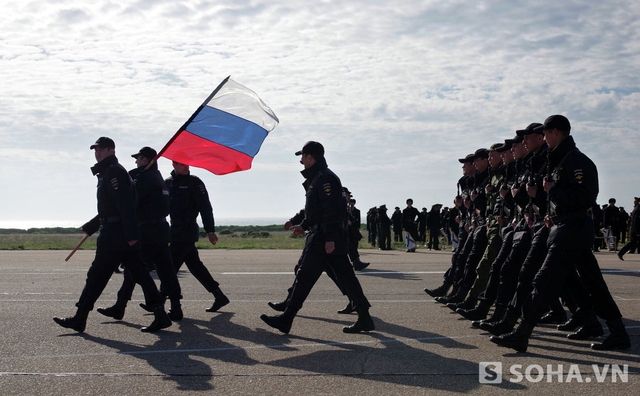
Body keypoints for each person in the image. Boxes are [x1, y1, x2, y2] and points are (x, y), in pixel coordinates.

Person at [490, 115, 631, 352]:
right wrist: (550, 212)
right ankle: (614, 332)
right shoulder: (557, 159)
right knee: (592, 284)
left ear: (557, 132)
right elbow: (554, 197)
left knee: (543, 281)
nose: (544, 138)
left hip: (572, 230)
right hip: (563, 228)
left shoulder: (577, 161)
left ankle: (521, 334)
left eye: (546, 133)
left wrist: (553, 192)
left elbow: (585, 198)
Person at [53, 137, 171, 333]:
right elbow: (110, 208)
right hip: (117, 233)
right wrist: (92, 226)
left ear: (111, 151)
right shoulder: (107, 172)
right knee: (140, 273)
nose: (97, 153)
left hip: (116, 235)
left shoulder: (114, 172)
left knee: (97, 275)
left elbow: (125, 204)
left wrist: (131, 233)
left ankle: (80, 318)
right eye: (95, 150)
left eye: (101, 149)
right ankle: (160, 314)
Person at [260, 141, 374, 334]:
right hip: (324, 236)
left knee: (304, 277)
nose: (301, 161)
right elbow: (315, 211)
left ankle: (286, 319)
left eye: (302, 157)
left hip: (324, 239)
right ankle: (364, 317)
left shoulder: (325, 179)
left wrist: (329, 238)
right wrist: (303, 225)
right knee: (347, 278)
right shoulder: (317, 178)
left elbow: (332, 210)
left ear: (310, 157)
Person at [97, 147, 184, 322]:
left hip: (147, 231)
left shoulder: (144, 179)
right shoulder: (158, 177)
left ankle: (121, 306)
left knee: (134, 270)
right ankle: (176, 308)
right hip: (161, 229)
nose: (136, 162)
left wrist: (96, 223)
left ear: (145, 160)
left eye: (138, 159)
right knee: (167, 271)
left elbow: (129, 202)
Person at [165, 161, 229, 313]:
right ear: (174, 164)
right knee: (195, 267)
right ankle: (219, 296)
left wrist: (210, 230)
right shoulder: (167, 183)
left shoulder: (194, 182)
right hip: (174, 230)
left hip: (187, 231)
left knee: (170, 268)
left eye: (187, 164)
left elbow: (205, 207)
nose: (186, 166)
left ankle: (161, 301)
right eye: (182, 164)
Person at [346, 195, 369, 270]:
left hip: (353, 230)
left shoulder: (354, 210)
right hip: (346, 231)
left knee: (353, 247)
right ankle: (357, 263)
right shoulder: (342, 207)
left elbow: (356, 221)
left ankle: (357, 263)